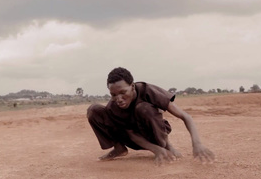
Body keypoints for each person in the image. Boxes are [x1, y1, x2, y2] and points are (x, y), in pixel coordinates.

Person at [87, 67, 215, 165]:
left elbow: (185, 116)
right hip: (135, 140)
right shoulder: (114, 107)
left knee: (143, 108)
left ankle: (166, 145)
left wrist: (197, 144)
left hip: (154, 132)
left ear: (132, 86)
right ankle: (119, 149)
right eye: (113, 95)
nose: (118, 99)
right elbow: (131, 134)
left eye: (123, 92)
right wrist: (155, 150)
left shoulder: (148, 91)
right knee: (93, 110)